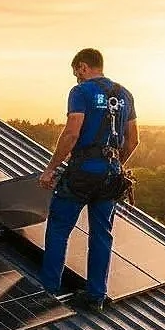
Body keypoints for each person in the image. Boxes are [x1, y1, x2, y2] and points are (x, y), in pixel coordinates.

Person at [38, 48, 139, 312]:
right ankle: (96, 296)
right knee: (101, 234)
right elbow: (134, 140)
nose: (76, 79)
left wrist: (50, 168)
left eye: (76, 74)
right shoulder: (124, 94)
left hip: (82, 172)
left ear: (83, 67)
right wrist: (116, 165)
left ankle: (49, 291)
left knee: (59, 228)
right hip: (111, 174)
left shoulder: (80, 93)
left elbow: (72, 132)